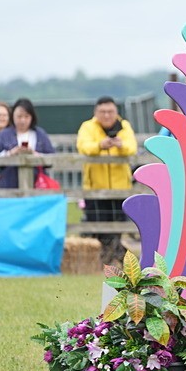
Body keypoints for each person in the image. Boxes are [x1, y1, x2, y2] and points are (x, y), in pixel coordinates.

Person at [77, 97, 139, 264]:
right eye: (102, 112)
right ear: (96, 113)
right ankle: (123, 260)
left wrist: (120, 145)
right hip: (95, 188)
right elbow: (83, 146)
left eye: (110, 112)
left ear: (116, 112)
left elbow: (132, 147)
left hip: (120, 188)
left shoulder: (124, 126)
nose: (106, 115)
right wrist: (100, 145)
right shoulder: (87, 127)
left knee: (117, 228)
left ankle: (110, 262)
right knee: (98, 228)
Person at [0, 98, 55, 189]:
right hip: (9, 186)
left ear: (32, 117)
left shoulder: (40, 134)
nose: (22, 120)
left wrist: (34, 154)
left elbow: (51, 158)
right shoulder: (3, 135)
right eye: (19, 116)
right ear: (13, 116)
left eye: (26, 116)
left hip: (37, 186)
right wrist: (11, 153)